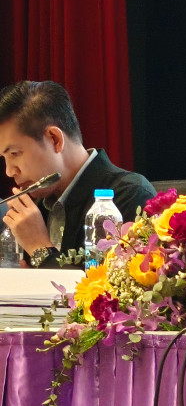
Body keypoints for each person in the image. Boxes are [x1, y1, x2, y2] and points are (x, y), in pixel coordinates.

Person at [0, 80, 156, 268]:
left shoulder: (131, 195)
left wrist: (39, 248)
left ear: (54, 139)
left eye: (14, 153)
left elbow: (105, 285)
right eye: (4, 158)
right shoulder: (35, 206)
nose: (9, 171)